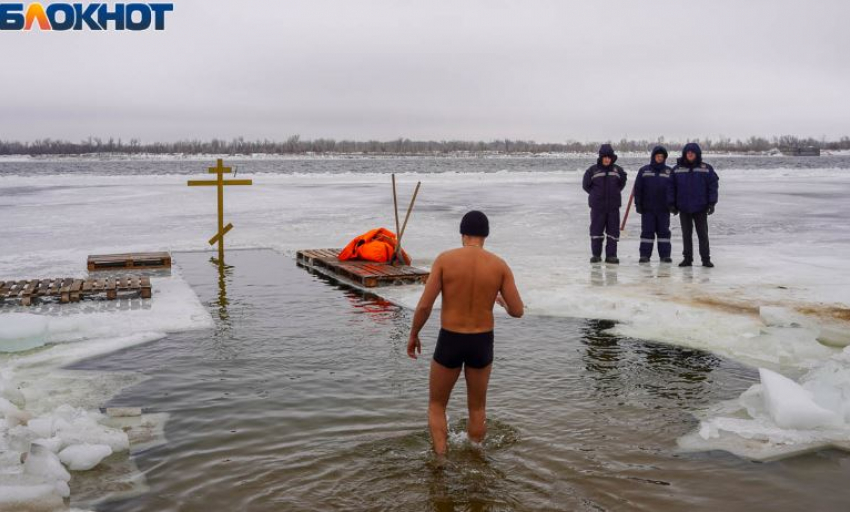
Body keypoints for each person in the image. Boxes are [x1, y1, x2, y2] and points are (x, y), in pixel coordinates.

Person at [407, 211, 524, 456]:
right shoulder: (499, 265)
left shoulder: (445, 260)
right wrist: (500, 302)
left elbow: (425, 305)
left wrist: (414, 334)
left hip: (451, 338)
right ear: (485, 236)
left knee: (437, 405)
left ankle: (440, 459)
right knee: (478, 407)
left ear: (463, 235)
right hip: (482, 341)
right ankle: (476, 457)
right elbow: (517, 311)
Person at [668, 142, 719, 267]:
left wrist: (712, 203)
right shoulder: (677, 169)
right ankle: (687, 259)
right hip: (684, 207)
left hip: (701, 207)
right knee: (686, 235)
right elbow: (671, 188)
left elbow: (713, 186)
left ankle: (705, 259)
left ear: (697, 154)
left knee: (702, 234)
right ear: (685, 154)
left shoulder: (706, 168)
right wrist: (672, 204)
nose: (690, 154)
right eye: (688, 152)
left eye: (692, 153)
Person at [582, 144, 627, 264]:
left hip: (613, 207)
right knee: (596, 231)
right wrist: (595, 194)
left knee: (613, 231)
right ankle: (596, 255)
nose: (607, 159)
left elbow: (622, 182)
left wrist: (615, 192)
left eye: (609, 157)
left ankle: (611, 255)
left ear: (612, 158)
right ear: (601, 157)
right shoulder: (592, 170)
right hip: (598, 207)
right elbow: (586, 186)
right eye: (604, 157)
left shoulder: (618, 170)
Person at [634, 146, 673, 263]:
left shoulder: (669, 171)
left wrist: (673, 204)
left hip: (664, 209)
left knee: (664, 233)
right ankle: (645, 255)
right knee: (647, 232)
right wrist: (638, 204)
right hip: (648, 209)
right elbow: (638, 189)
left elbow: (673, 190)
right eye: (657, 156)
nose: (659, 158)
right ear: (653, 157)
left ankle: (665, 255)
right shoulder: (644, 170)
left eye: (662, 156)